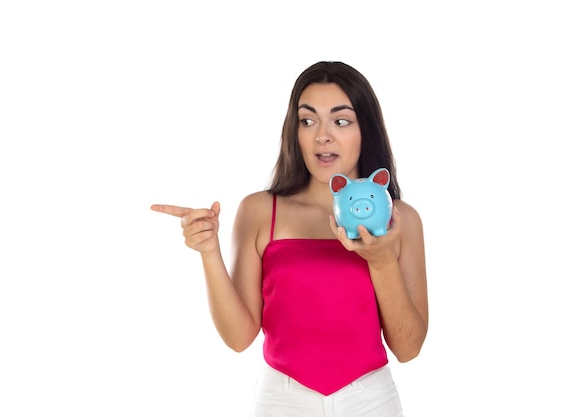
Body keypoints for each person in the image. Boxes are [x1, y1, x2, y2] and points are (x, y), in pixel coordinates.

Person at [151, 61, 428, 417]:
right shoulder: (259, 211)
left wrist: (382, 259)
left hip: (370, 401)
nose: (322, 136)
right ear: (293, 131)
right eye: (308, 120)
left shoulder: (402, 220)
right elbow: (239, 338)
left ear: (366, 130)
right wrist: (209, 252)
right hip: (282, 400)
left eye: (340, 121)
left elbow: (408, 348)